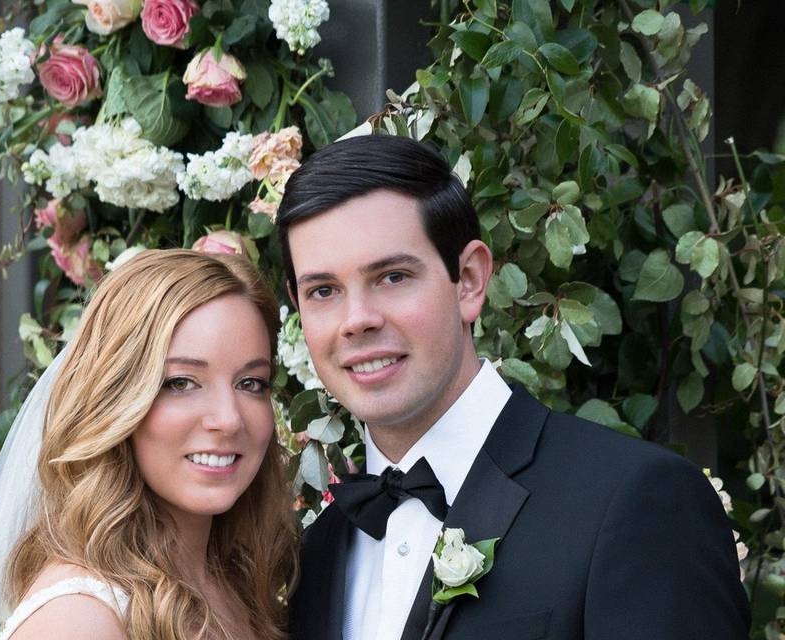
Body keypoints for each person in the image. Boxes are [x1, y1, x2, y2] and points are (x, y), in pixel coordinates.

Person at [279, 135, 750, 640]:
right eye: (324, 291)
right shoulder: (315, 556)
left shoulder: (637, 502)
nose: (357, 321)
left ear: (469, 280)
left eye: (392, 277)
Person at [0, 249, 296, 640]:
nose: (228, 419)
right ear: (117, 399)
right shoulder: (78, 618)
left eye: (251, 383)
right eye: (180, 383)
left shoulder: (238, 588)